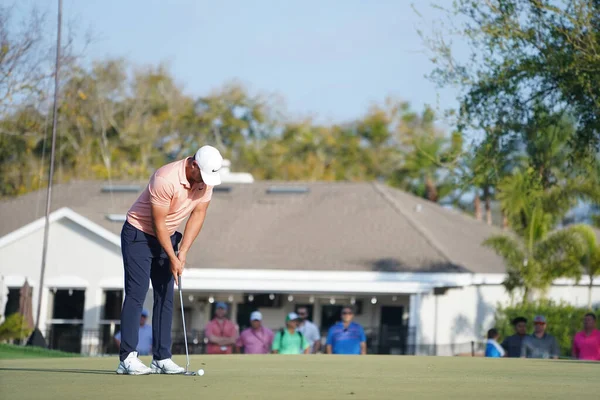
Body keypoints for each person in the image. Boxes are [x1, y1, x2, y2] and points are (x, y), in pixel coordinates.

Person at [116, 145, 223, 375]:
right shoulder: (165, 178)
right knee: (137, 292)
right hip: (139, 234)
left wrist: (182, 251)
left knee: (165, 294)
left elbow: (199, 213)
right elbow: (158, 223)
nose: (204, 182)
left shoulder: (206, 183)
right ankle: (127, 358)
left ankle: (162, 358)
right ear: (193, 164)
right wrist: (172, 256)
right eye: (202, 175)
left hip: (169, 234)